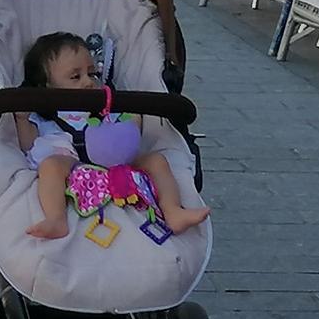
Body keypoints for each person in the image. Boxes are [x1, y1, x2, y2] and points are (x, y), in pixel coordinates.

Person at [16, 32, 208, 241]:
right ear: (46, 87)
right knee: (50, 166)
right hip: (73, 167)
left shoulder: (106, 106)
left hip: (116, 164)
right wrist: (22, 120)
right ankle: (56, 219)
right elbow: (28, 146)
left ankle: (173, 211)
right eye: (75, 77)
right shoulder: (47, 117)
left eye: (93, 74)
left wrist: (134, 115)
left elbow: (130, 130)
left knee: (156, 160)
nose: (88, 82)